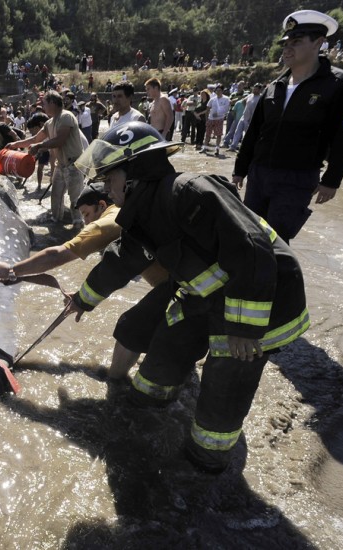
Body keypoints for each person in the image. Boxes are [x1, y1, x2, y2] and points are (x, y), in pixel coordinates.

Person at [69, 121, 310, 473]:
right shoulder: (142, 215)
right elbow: (120, 263)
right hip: (206, 297)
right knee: (165, 349)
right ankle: (143, 407)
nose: (106, 187)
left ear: (134, 172)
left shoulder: (192, 191)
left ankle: (204, 467)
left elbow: (252, 249)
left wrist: (243, 328)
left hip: (260, 303)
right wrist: (82, 300)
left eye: (110, 178)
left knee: (223, 392)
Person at [233, 10, 343, 243]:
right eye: (286, 44)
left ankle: (277, 280)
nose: (288, 49)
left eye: (297, 42)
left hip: (297, 177)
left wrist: (332, 180)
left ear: (319, 43)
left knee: (277, 241)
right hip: (259, 174)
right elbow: (254, 132)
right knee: (249, 237)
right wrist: (240, 169)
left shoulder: (338, 85)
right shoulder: (275, 86)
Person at [0, 183, 120, 281]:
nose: (86, 222)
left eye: (86, 214)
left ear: (102, 205)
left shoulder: (102, 225)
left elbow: (56, 255)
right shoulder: (122, 208)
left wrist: (10, 271)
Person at [7, 90, 86, 229]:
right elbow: (34, 139)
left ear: (53, 102)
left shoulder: (66, 116)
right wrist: (15, 144)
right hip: (61, 165)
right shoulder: (49, 123)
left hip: (74, 164)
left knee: (75, 200)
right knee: (56, 197)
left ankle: (78, 228)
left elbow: (60, 140)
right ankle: (56, 225)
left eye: (44, 104)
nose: (43, 107)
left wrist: (40, 146)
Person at [227, 83, 262, 151]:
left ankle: (246, 148)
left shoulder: (261, 97)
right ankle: (233, 146)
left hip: (252, 119)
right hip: (244, 117)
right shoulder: (250, 95)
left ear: (260, 90)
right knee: (238, 131)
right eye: (254, 88)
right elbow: (243, 101)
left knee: (248, 134)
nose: (254, 90)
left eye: (256, 89)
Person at [201, 85, 231, 156]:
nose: (218, 92)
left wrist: (218, 114)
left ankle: (217, 148)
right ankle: (205, 147)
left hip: (219, 119)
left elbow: (226, 109)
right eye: (217, 90)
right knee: (208, 134)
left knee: (218, 134)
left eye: (219, 90)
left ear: (222, 91)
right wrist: (207, 119)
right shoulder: (213, 99)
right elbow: (208, 108)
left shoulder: (226, 99)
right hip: (211, 118)